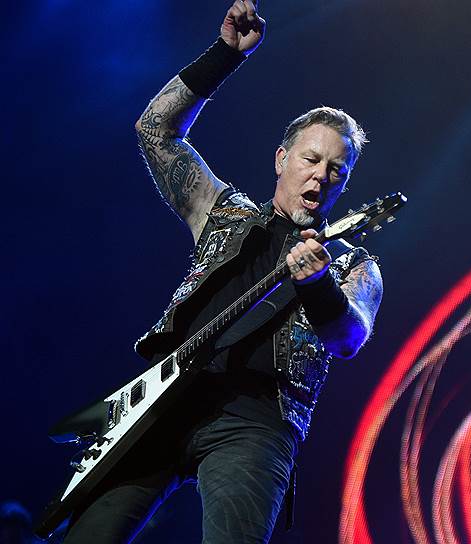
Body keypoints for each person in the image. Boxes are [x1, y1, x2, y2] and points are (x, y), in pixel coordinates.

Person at [62, 2, 382, 542]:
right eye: (311, 159)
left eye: (337, 170)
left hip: (256, 423)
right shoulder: (223, 213)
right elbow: (155, 131)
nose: (321, 176)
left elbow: (350, 338)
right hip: (163, 399)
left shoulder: (353, 262)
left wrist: (318, 283)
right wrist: (225, 56)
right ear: (281, 159)